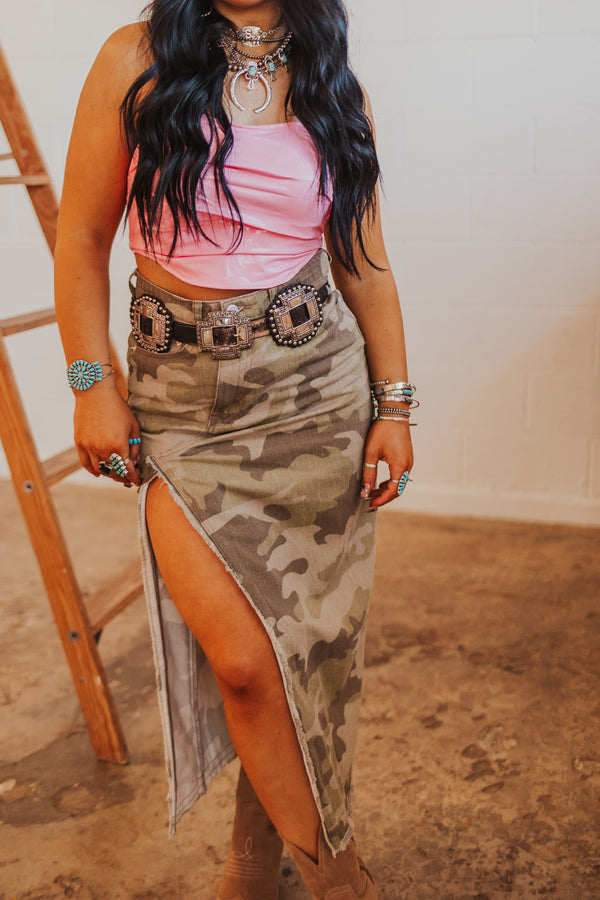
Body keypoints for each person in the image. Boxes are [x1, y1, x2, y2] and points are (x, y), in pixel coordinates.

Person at [54, 1, 414, 897]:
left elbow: (362, 261)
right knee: (246, 664)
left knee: (306, 647)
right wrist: (92, 383)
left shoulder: (335, 85)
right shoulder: (133, 59)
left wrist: (395, 405)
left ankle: (257, 853)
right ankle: (342, 881)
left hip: (316, 397)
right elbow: (83, 238)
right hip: (182, 407)